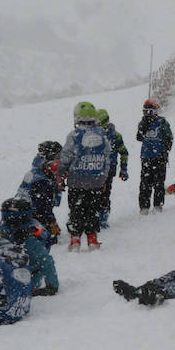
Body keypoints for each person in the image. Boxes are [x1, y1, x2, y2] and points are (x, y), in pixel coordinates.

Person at [56, 101, 113, 251]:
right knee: (92, 210)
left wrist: (61, 174)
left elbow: (66, 156)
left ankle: (75, 241)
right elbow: (107, 157)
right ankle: (92, 240)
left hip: (77, 180)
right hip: (96, 180)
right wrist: (104, 177)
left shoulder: (74, 135)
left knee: (76, 210)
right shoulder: (102, 134)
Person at [0, 197, 59, 296]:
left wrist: (52, 286)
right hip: (6, 272)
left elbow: (46, 260)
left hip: (29, 274)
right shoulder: (3, 229)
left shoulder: (30, 237)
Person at [17, 140, 64, 243]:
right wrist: (52, 226)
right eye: (57, 163)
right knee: (49, 238)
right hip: (28, 222)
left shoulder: (37, 173)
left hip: (23, 217)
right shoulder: (41, 181)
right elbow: (43, 210)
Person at [136, 98, 174, 214]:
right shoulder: (143, 123)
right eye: (145, 112)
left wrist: (165, 152)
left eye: (150, 112)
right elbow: (139, 137)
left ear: (156, 112)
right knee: (145, 183)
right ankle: (144, 206)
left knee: (159, 182)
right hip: (147, 156)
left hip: (159, 157)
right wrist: (143, 125)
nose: (147, 115)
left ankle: (158, 205)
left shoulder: (162, 123)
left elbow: (169, 138)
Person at [95, 108, 130, 228]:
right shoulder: (93, 136)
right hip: (94, 170)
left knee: (104, 194)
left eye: (97, 123)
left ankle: (103, 217)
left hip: (108, 170)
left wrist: (123, 169)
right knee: (93, 195)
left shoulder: (115, 136)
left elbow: (124, 152)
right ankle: (93, 217)